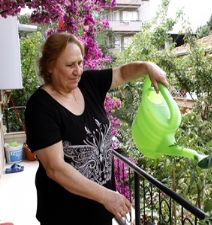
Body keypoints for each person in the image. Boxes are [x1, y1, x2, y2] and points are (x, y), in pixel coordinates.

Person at [25, 32, 169, 225]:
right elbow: (55, 168)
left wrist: (147, 66)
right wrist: (107, 196)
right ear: (50, 67)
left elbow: (122, 73)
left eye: (80, 62)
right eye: (70, 65)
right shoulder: (40, 107)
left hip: (100, 213)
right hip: (64, 215)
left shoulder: (88, 83)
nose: (78, 71)